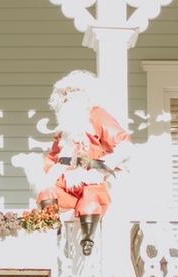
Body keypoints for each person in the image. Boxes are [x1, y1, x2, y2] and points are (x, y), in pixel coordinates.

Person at [38, 69, 131, 256]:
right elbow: (53, 158)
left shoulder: (97, 115)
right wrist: (43, 169)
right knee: (47, 193)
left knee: (90, 197)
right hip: (65, 180)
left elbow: (124, 146)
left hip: (91, 177)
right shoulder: (63, 130)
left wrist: (102, 165)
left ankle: (88, 239)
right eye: (64, 94)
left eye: (73, 92)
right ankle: (52, 229)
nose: (68, 98)